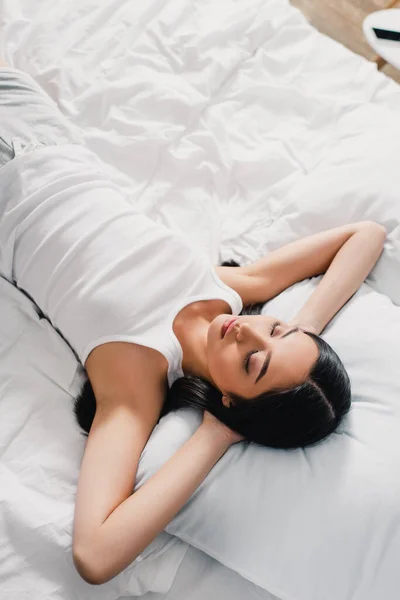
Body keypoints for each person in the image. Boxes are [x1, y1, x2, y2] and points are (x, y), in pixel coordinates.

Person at [0, 61, 386, 586]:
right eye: (272, 332)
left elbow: (95, 555)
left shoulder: (136, 383)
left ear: (230, 402)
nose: (248, 332)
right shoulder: (230, 293)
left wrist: (217, 436)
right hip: (45, 137)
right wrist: (303, 325)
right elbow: (365, 234)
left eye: (253, 364)